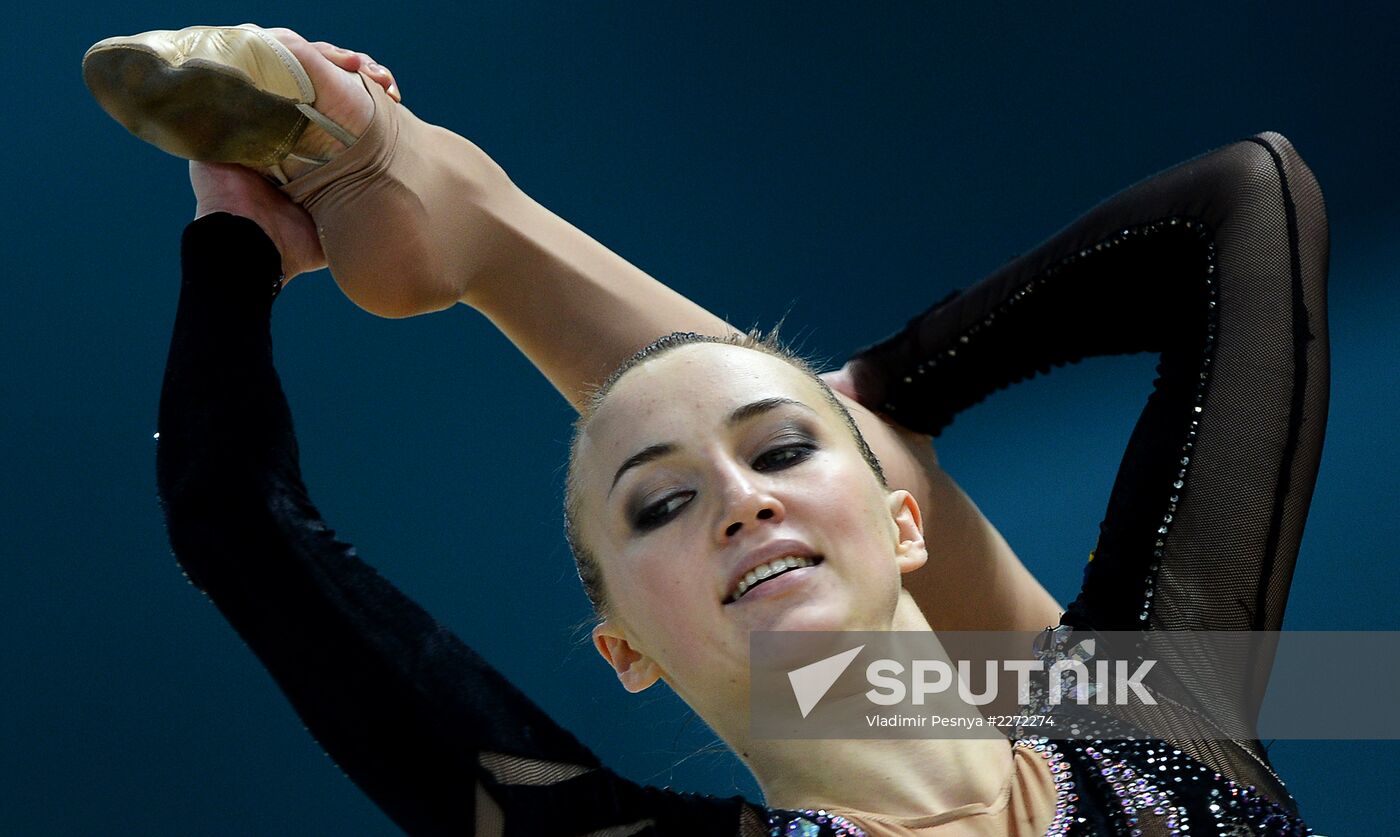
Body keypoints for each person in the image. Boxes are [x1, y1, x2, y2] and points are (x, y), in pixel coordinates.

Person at [86, 25, 1327, 836]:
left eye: (780, 454)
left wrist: (885, 390)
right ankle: (436, 199)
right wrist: (232, 242)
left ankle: (442, 201)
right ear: (622, 648)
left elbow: (1244, 202)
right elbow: (235, 524)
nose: (740, 500)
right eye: (658, 504)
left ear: (901, 522)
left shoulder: (1151, 719)